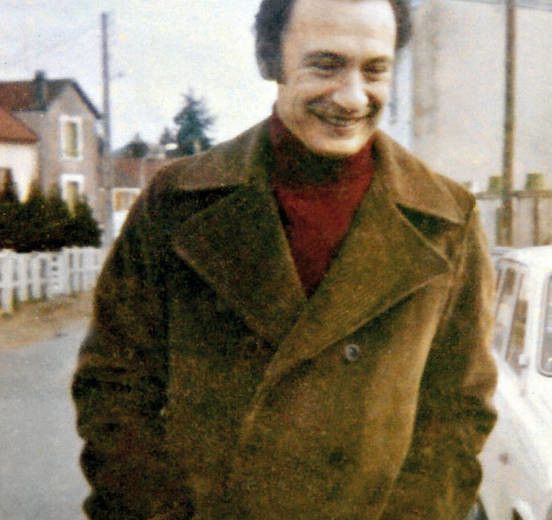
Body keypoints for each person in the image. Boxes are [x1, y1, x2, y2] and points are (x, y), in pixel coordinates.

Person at [72, 0, 497, 518]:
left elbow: (458, 414)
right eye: (326, 65)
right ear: (269, 58)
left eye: (375, 70)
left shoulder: (446, 218)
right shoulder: (178, 203)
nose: (353, 97)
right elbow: (114, 389)